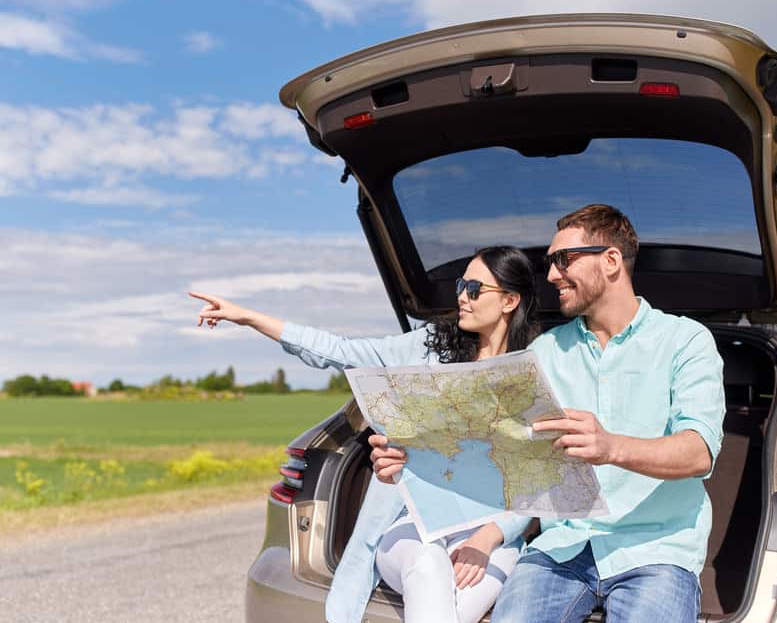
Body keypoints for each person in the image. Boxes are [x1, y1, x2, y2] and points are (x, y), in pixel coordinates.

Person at [190, 246, 538, 623]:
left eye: (473, 288)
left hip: (489, 534)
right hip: (411, 526)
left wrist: (487, 539)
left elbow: (542, 479)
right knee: (426, 564)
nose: (461, 296)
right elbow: (338, 350)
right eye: (460, 284)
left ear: (509, 301)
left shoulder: (531, 374)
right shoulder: (426, 348)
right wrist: (249, 318)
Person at [484, 204, 726, 622]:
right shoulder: (544, 353)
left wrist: (610, 446)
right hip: (561, 548)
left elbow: (698, 452)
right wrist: (410, 455)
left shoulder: (686, 341)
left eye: (563, 259)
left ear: (611, 260)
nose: (552, 274)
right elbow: (511, 457)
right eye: (549, 263)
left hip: (656, 551)